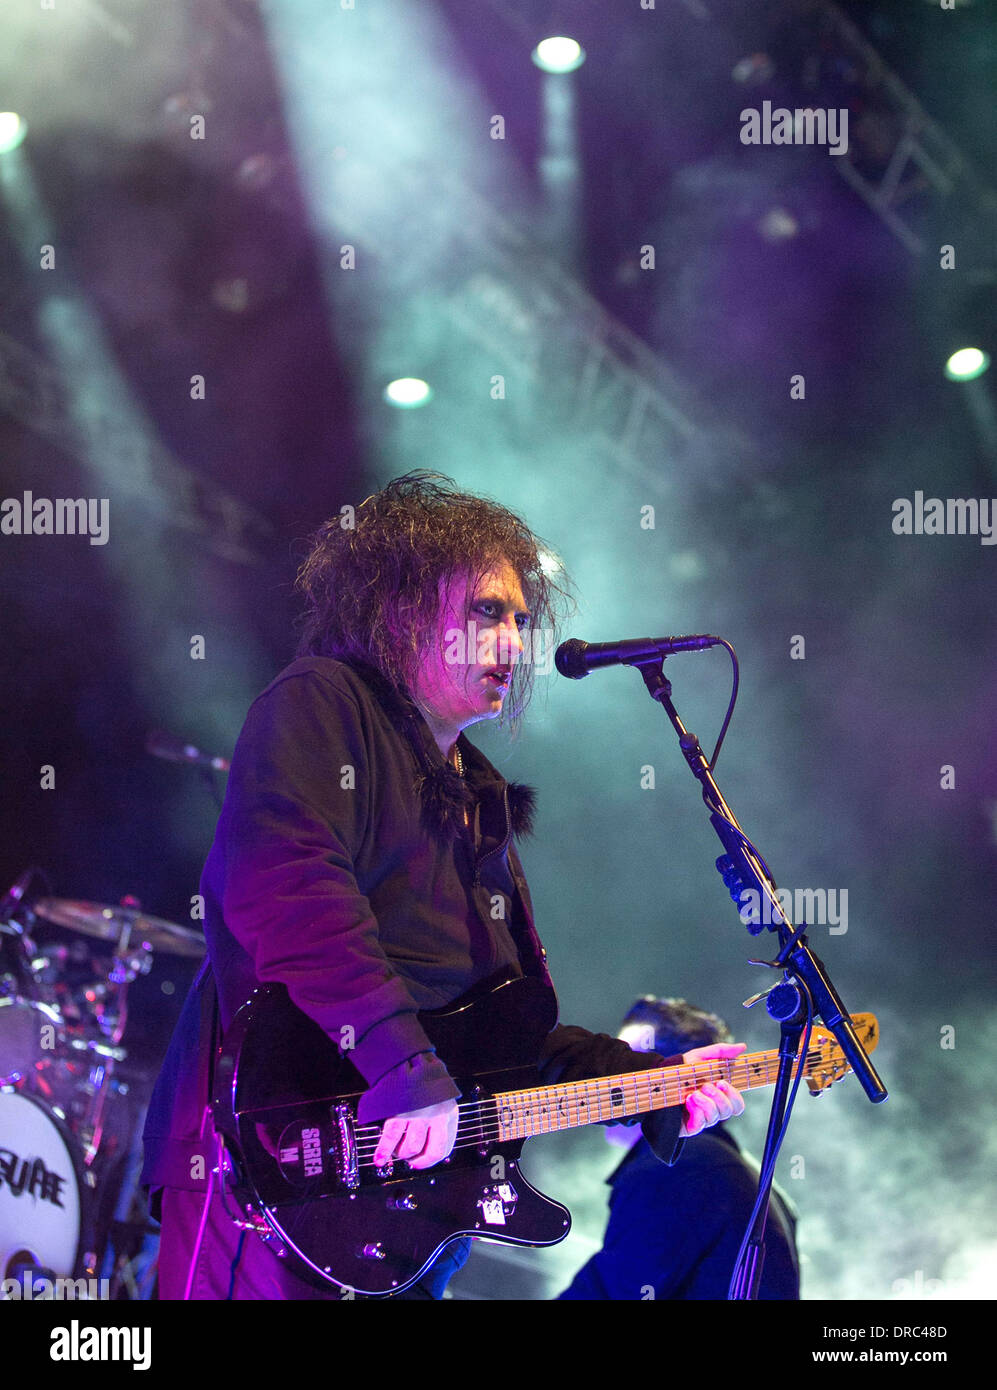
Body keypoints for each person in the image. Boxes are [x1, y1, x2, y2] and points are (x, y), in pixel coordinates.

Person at [140, 471, 747, 1299]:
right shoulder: (322, 703)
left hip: (406, 1218)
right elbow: (291, 892)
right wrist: (403, 1072)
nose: (513, 642)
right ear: (398, 611)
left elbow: (489, 1024)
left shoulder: (475, 794)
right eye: (486, 612)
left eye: (520, 620)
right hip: (273, 1165)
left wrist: (643, 1088)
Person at [558, 997, 800, 1301]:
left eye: (625, 1066)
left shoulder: (680, 1167)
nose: (606, 1082)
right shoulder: (727, 1166)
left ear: (674, 1080)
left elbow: (612, 1293)